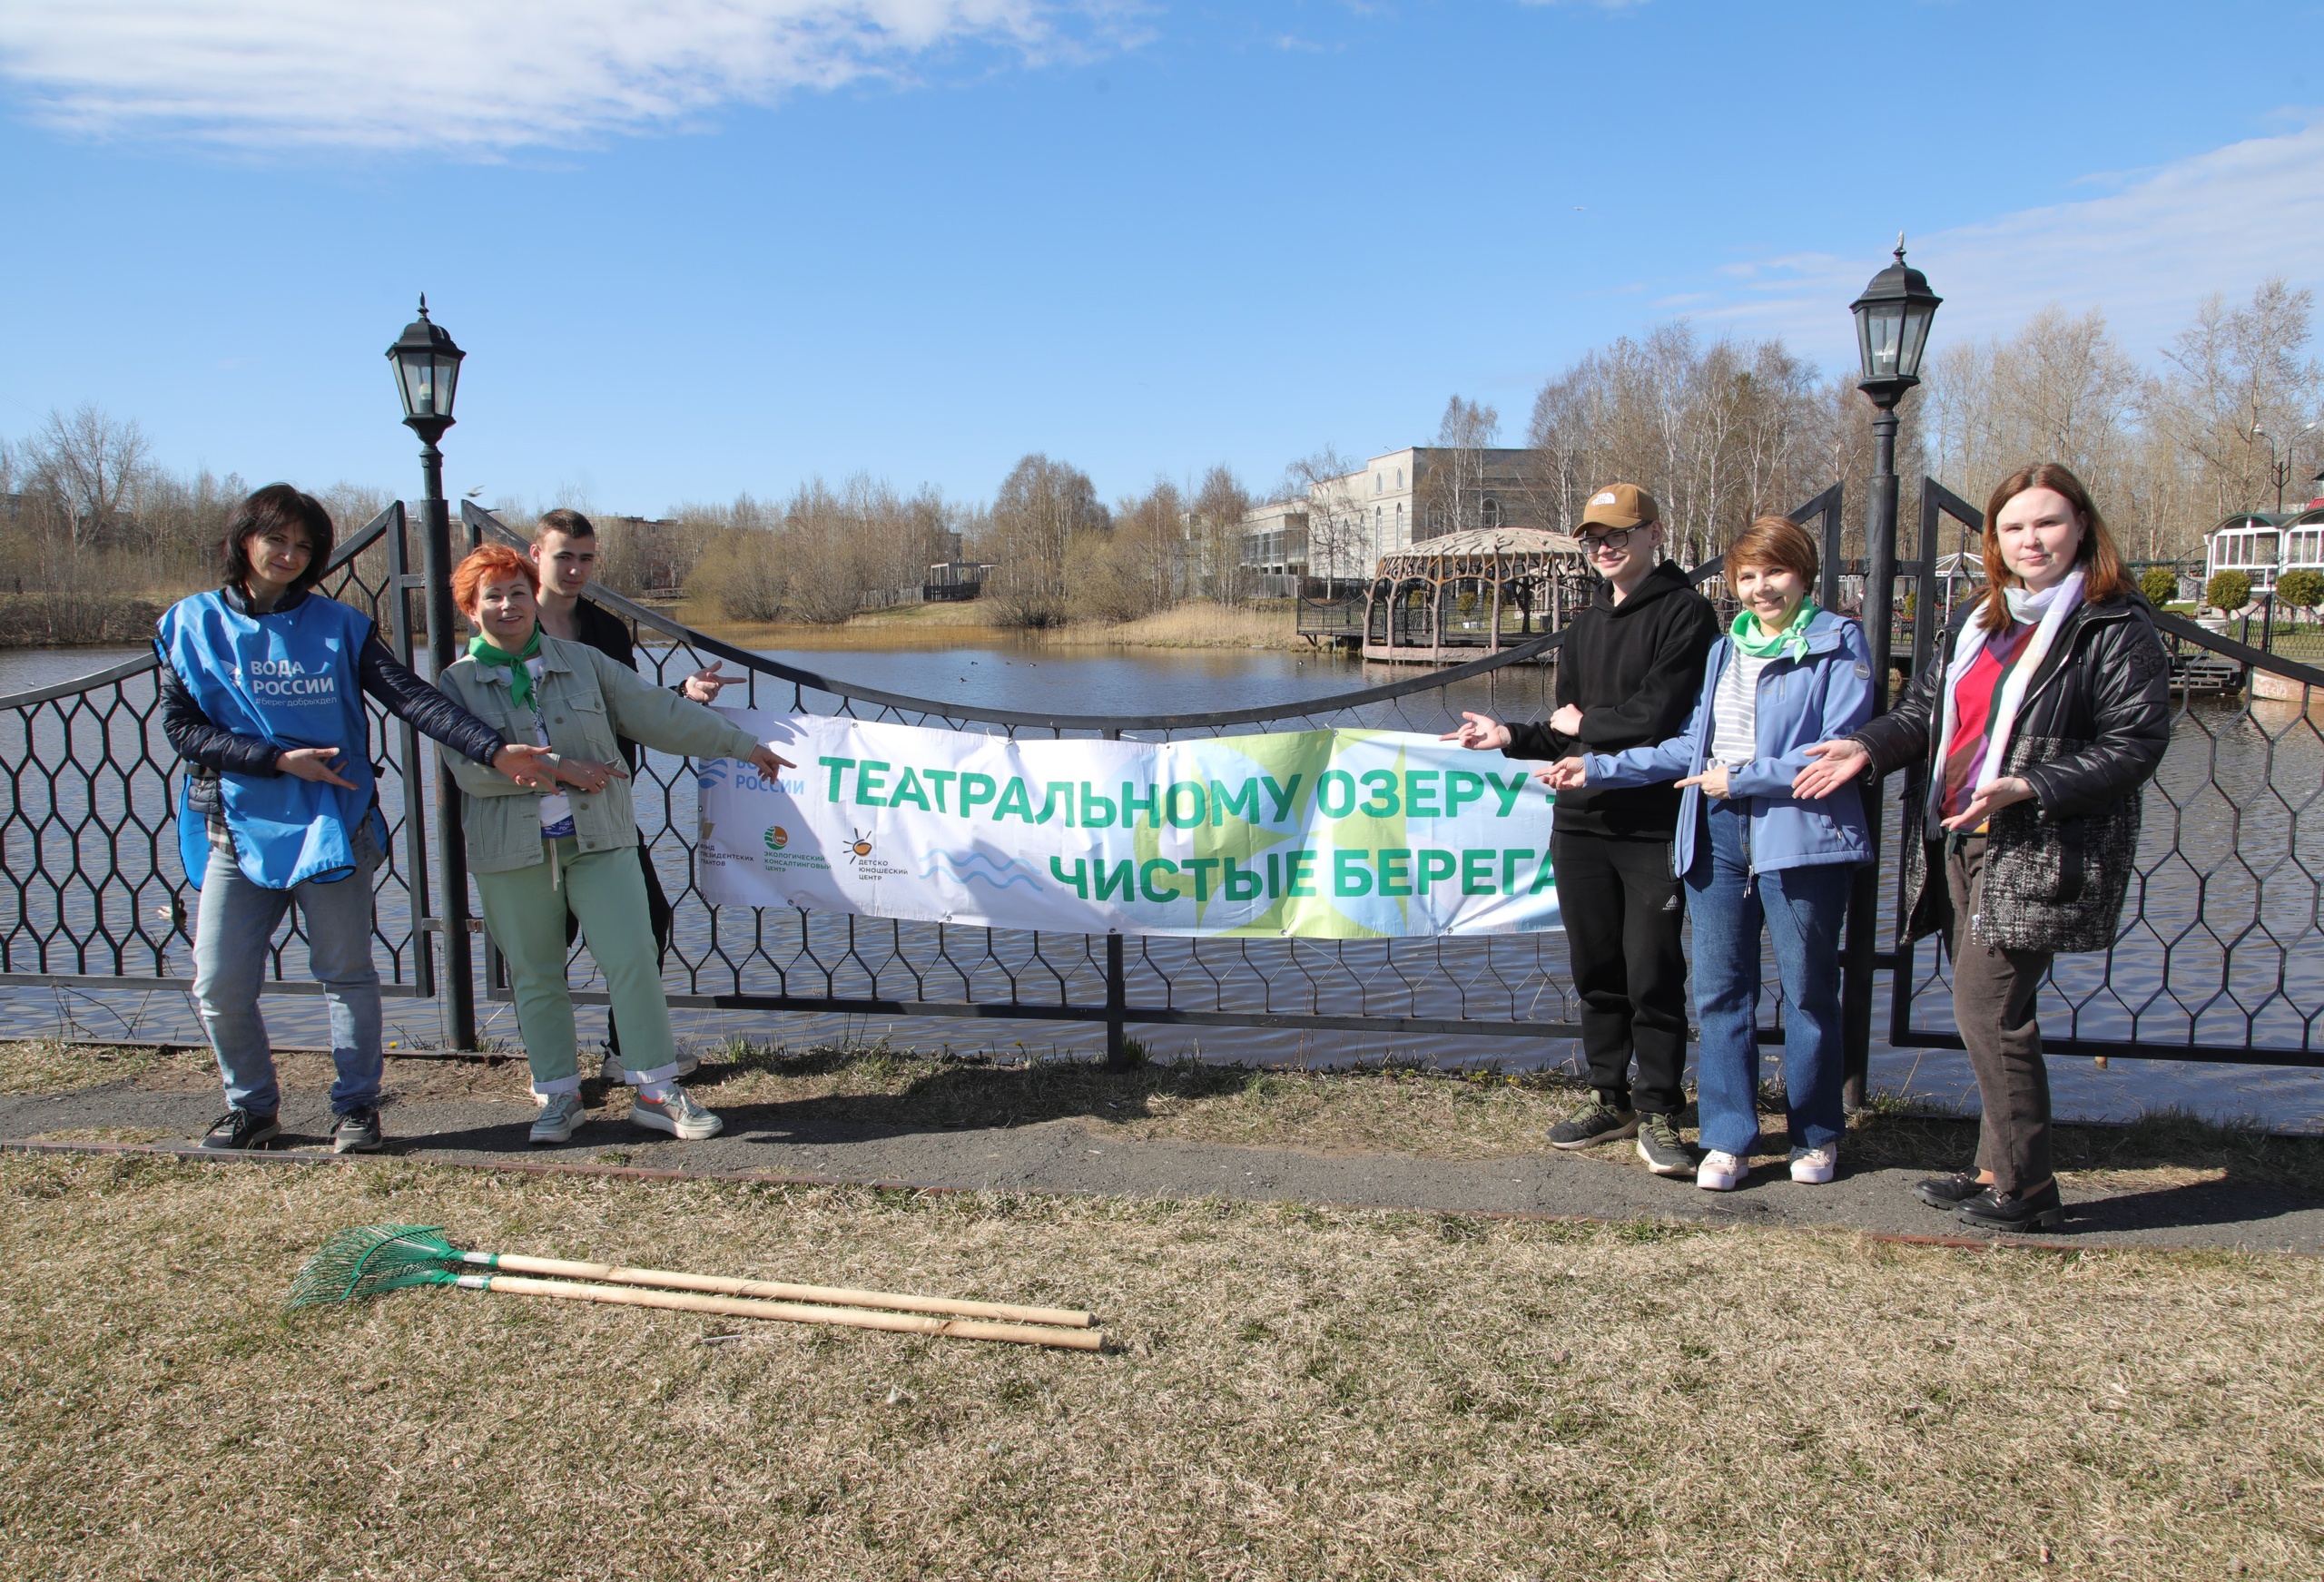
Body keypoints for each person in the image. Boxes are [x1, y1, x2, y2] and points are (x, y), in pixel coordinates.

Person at [1796, 465, 2170, 1232]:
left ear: (2082, 527)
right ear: (1995, 539)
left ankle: (2029, 1190)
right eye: (2014, 527)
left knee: (1988, 1008)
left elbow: (2136, 743)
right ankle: (1998, 1169)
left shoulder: (2111, 623)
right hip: (1964, 836)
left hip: (2040, 842)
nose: (2032, 540)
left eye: (2048, 523)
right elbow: (1928, 709)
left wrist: (2031, 785)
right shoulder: (1983, 617)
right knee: (1995, 1005)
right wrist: (1866, 748)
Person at [157, 485, 553, 1155]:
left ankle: (357, 1107)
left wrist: (492, 747)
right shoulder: (188, 624)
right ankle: (251, 1107)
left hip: (336, 827)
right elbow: (181, 727)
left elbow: (409, 697)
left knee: (344, 973)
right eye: (276, 540)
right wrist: (276, 759)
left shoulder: (339, 626)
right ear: (243, 541)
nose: (288, 555)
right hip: (237, 825)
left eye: (304, 546)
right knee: (219, 982)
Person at [1541, 517, 1873, 1191]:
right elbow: (1690, 749)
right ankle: (1728, 1136)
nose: (1760, 588)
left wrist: (1743, 778)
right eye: (1747, 576)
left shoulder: (1839, 642)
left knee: (1809, 991)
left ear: (1803, 573)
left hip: (1799, 835)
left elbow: (1836, 751)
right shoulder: (1727, 651)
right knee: (1721, 991)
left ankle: (1815, 1132)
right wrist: (1597, 769)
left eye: (1774, 572)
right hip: (1718, 834)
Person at [436, 545, 795, 1146]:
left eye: (517, 593)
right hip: (513, 854)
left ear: (533, 599)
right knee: (536, 972)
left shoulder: (582, 662)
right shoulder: (455, 683)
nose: (507, 606)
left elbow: (656, 713)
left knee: (632, 953)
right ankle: (558, 1095)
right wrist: (563, 767)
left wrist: (739, 744)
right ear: (472, 611)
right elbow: (470, 769)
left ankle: (656, 1090)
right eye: (490, 597)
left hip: (599, 838)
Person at [1442, 483, 1717, 1176]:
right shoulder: (1585, 621)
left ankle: (1659, 1110)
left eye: (1620, 532)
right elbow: (1566, 722)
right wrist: (1510, 734)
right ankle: (1609, 1096)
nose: (1605, 545)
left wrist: (1583, 728)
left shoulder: (1687, 614)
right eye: (1595, 534)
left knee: (1653, 970)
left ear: (1655, 533)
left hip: (1651, 821)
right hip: (1580, 820)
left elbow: (1659, 715)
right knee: (1596, 968)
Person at [527, 507, 732, 1083]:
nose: (574, 569)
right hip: (532, 806)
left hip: (604, 804)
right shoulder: (511, 619)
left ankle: (624, 1050)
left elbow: (627, 705)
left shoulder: (608, 630)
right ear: (535, 554)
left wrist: (683, 694)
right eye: (563, 555)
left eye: (586, 557)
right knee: (548, 940)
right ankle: (553, 1069)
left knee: (648, 920)